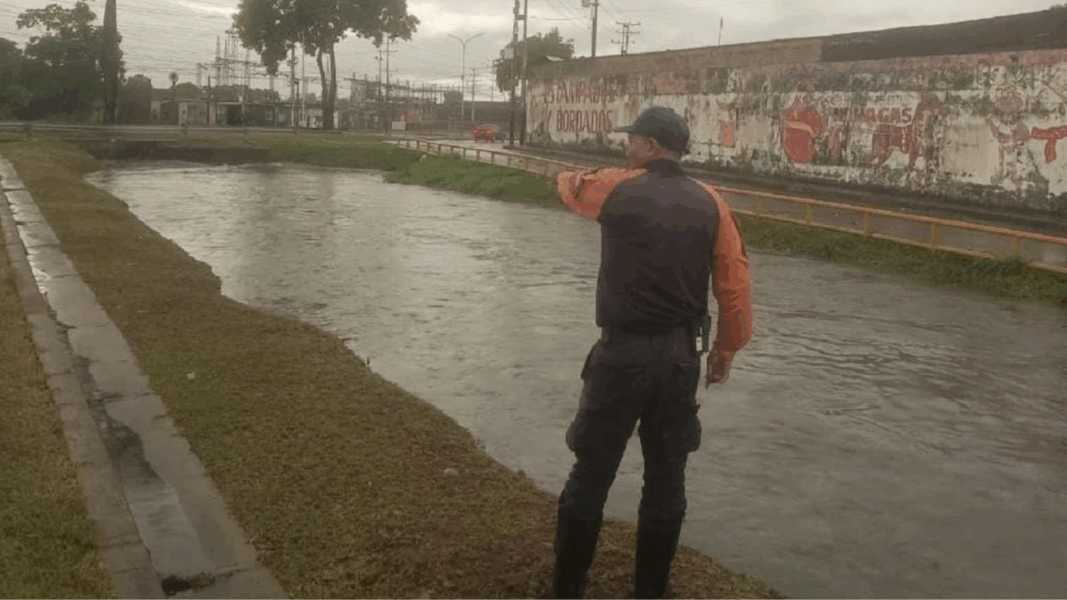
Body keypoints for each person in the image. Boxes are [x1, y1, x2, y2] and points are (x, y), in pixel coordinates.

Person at [550, 106, 753, 598]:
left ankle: (567, 589)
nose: (626, 147)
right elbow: (735, 287)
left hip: (620, 357)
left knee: (591, 472)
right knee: (666, 480)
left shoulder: (615, 188)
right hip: (682, 360)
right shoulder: (713, 203)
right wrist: (724, 352)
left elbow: (565, 183)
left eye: (632, 140)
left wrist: (617, 176)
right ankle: (650, 592)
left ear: (650, 146)